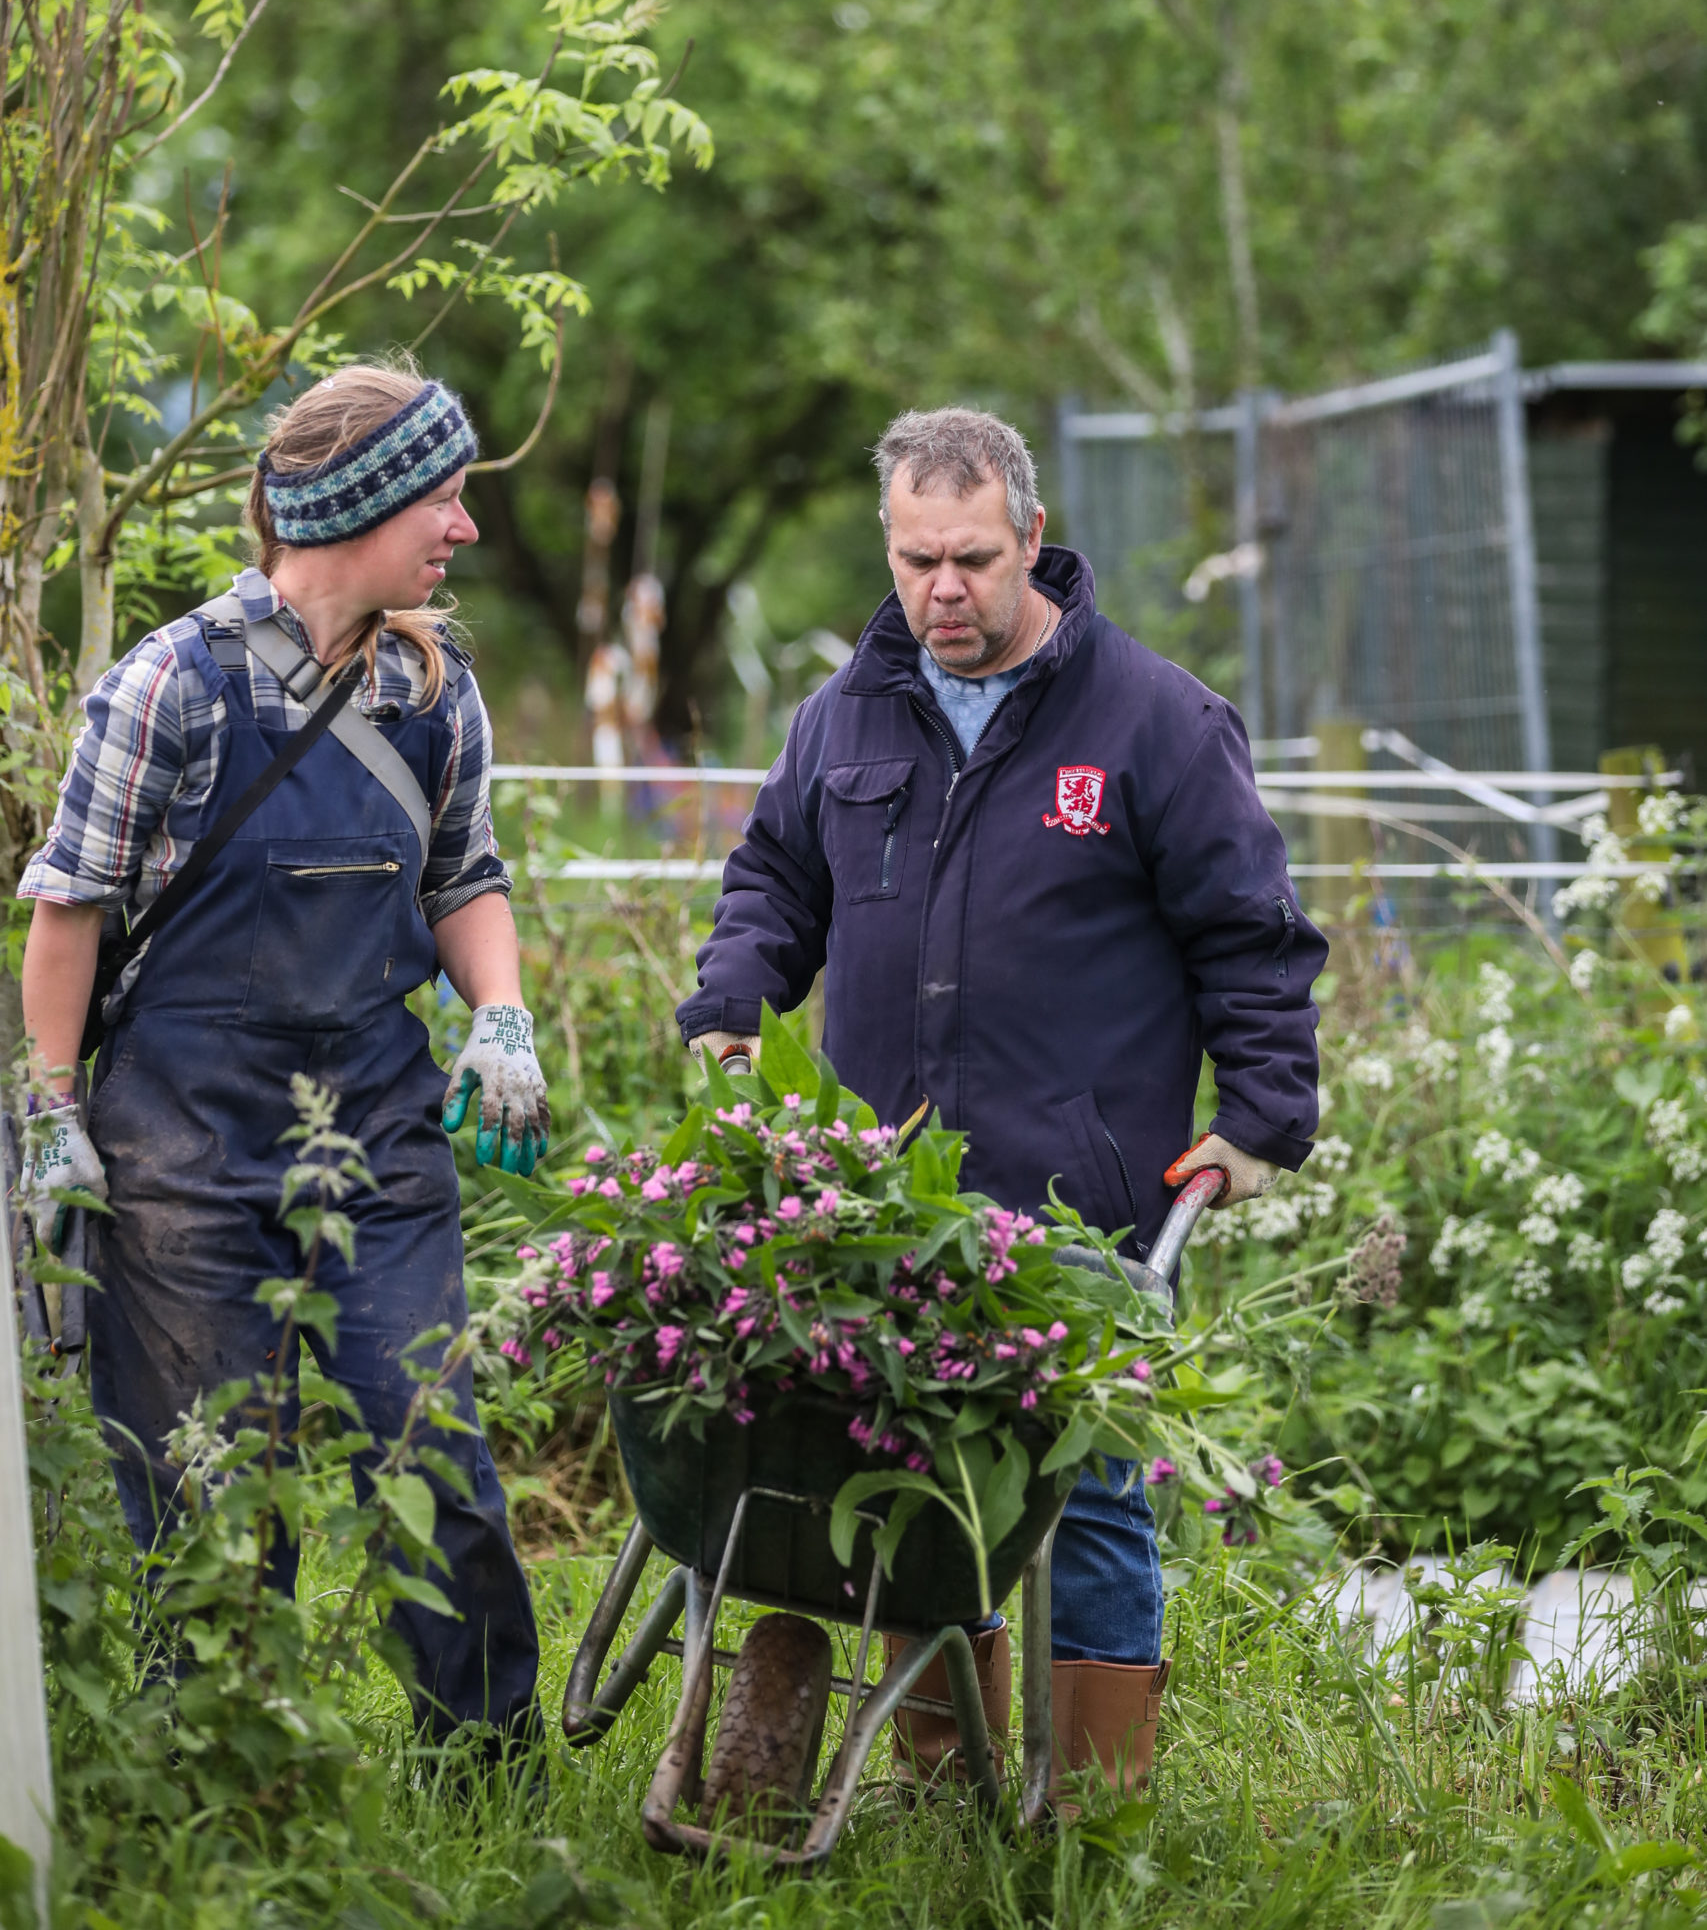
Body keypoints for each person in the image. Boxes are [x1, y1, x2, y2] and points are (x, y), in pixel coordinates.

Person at [676, 405, 1327, 1791]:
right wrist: (733, 1010)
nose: (942, 592)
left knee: (1083, 1494)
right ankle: (946, 1773)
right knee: (912, 1484)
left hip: (1079, 1196)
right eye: (917, 560)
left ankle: (1088, 1808)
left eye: (971, 558)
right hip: (887, 1198)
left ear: (1033, 538)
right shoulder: (844, 716)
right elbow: (773, 888)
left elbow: (1250, 933)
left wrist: (1262, 1117)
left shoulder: (1154, 721)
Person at [17, 364, 547, 1746]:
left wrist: (498, 1014)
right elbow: (69, 911)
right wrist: (51, 1109)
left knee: (435, 1455)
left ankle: (484, 1764)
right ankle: (218, 1776)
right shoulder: (169, 688)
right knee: (209, 1489)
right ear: (358, 504)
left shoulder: (433, 688)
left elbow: (463, 875)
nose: (465, 530)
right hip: (180, 1154)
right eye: (443, 499)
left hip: (375, 1138)